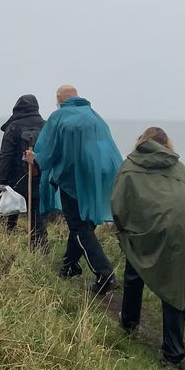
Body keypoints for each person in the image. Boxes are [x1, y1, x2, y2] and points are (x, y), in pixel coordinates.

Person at [111, 127, 185, 368]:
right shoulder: (177, 165)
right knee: (175, 284)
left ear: (141, 142)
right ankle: (173, 353)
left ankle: (129, 323)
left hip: (150, 225)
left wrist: (124, 230)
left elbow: (119, 202)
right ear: (168, 145)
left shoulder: (130, 165)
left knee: (135, 272)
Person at [28, 85, 121, 294]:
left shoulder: (60, 117)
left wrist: (34, 159)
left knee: (79, 227)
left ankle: (105, 274)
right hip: (99, 177)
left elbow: (48, 150)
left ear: (59, 100)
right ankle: (69, 266)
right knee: (84, 223)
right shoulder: (95, 117)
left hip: (74, 178)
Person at [0, 94, 48, 249]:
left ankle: (4, 248)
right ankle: (39, 248)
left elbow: (6, 155)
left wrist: (2, 181)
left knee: (10, 214)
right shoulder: (45, 126)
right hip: (39, 178)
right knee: (37, 215)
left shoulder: (13, 127)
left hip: (15, 180)